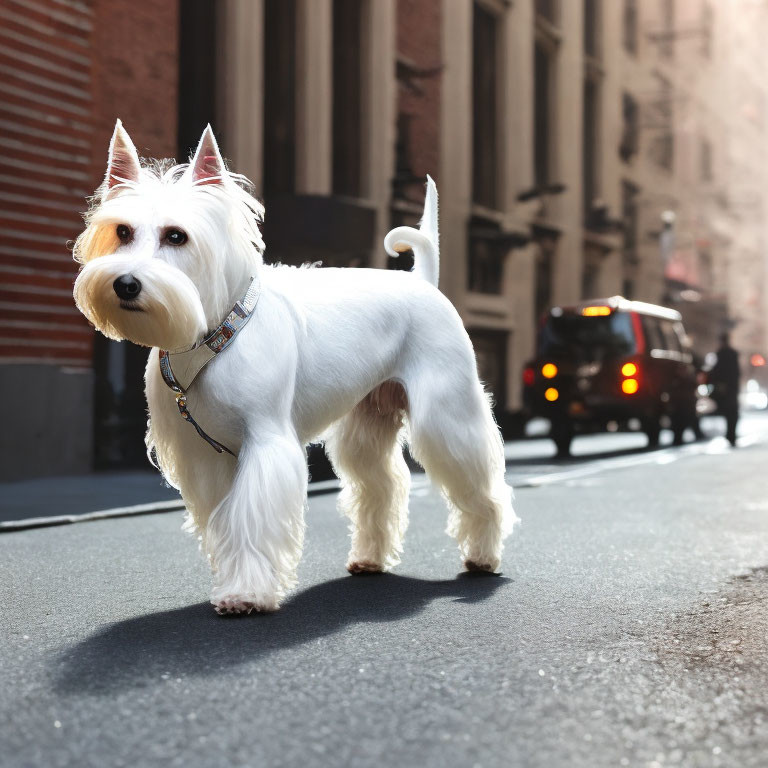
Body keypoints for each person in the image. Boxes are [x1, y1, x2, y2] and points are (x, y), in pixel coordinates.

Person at [708, 332, 741, 446]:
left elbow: (716, 372)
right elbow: (736, 373)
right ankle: (731, 434)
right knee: (732, 413)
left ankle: (730, 435)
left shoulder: (721, 354)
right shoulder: (731, 354)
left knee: (730, 413)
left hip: (725, 388)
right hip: (730, 389)